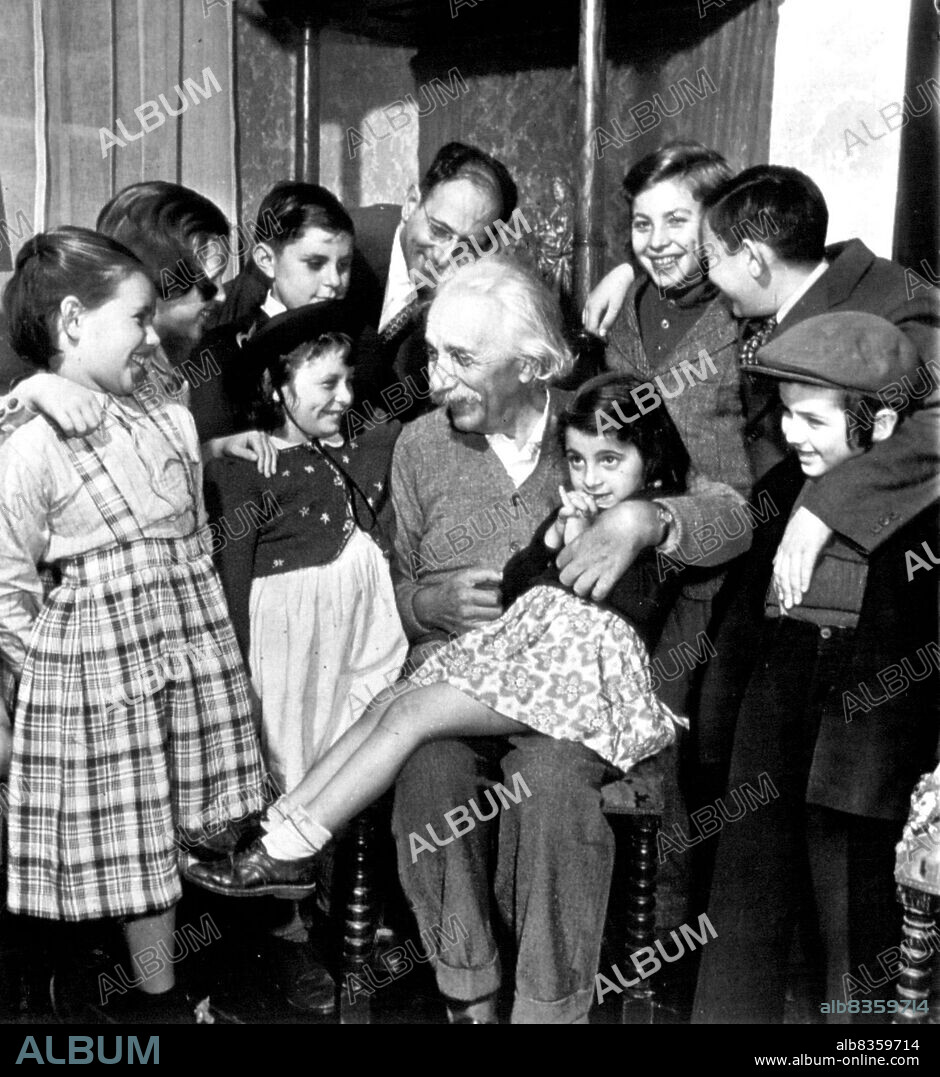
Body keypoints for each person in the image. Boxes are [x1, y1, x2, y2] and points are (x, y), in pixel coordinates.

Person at [197, 256, 741, 1024]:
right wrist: (426, 603)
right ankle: (470, 996)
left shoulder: (594, 423)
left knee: (552, 784)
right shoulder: (419, 444)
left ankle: (550, 1007)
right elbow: (375, 579)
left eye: (464, 360)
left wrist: (645, 519)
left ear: (528, 363)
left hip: (571, 701)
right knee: (429, 772)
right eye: (434, 357)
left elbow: (729, 511)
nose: (440, 379)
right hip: (458, 674)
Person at [183, 372, 691, 928]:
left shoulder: (648, 522)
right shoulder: (578, 510)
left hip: (580, 687)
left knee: (410, 712)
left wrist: (612, 530)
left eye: (609, 461)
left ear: (651, 460)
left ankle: (293, 850)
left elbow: (636, 606)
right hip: (531, 666)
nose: (589, 478)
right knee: (392, 701)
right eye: (576, 460)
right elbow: (519, 587)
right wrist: (550, 542)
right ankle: (277, 828)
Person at [0, 227, 265, 1021]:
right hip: (94, 663)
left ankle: (162, 992)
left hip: (183, 643)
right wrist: (43, 667)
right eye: (138, 317)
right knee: (114, 840)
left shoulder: (155, 402)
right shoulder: (30, 445)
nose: (154, 333)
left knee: (162, 833)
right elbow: (7, 579)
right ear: (75, 321)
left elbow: (171, 482)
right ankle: (91, 995)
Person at [692, 312, 939, 1024]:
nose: (793, 433)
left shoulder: (926, 510)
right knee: (744, 924)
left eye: (812, 420)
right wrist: (717, 735)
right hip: (772, 720)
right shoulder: (784, 491)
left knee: (853, 942)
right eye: (787, 415)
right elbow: (740, 622)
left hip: (864, 746)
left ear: (884, 424)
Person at [699, 165, 940, 609]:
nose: (704, 276)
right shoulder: (766, 298)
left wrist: (823, 507)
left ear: (753, 258)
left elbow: (934, 425)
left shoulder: (900, 302)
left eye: (709, 259)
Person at [0, 182, 277, 475]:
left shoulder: (162, 365)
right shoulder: (88, 368)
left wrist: (214, 450)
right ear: (158, 279)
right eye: (208, 285)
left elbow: (146, 473)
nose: (221, 295)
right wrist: (32, 394)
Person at [198, 182, 361, 441]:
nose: (334, 280)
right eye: (315, 263)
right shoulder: (219, 356)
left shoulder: (365, 344)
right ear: (266, 260)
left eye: (343, 265)